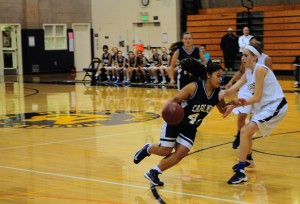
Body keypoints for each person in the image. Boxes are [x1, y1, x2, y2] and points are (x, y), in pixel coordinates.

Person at [133, 62, 237, 186]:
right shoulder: (194, 87)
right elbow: (174, 100)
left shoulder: (217, 93)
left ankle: (154, 172)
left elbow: (223, 110)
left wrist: (234, 103)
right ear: (208, 75)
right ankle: (148, 149)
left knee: (181, 153)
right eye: (218, 76)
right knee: (165, 150)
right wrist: (166, 111)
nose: (221, 79)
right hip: (176, 122)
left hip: (190, 127)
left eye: (222, 76)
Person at [221, 44, 288, 184]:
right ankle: (249, 160)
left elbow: (256, 97)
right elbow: (233, 88)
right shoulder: (249, 71)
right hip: (262, 107)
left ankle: (241, 171)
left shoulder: (260, 70)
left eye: (246, 55)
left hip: (274, 105)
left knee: (245, 131)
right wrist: (220, 93)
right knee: (248, 133)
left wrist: (233, 104)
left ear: (255, 57)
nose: (243, 58)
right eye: (242, 55)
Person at [225, 37, 273, 149]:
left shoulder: (266, 59)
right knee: (242, 115)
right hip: (247, 87)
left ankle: (247, 141)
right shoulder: (246, 58)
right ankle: (238, 135)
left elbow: (270, 76)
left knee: (254, 119)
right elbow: (242, 73)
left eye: (254, 44)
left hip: (259, 88)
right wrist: (231, 82)